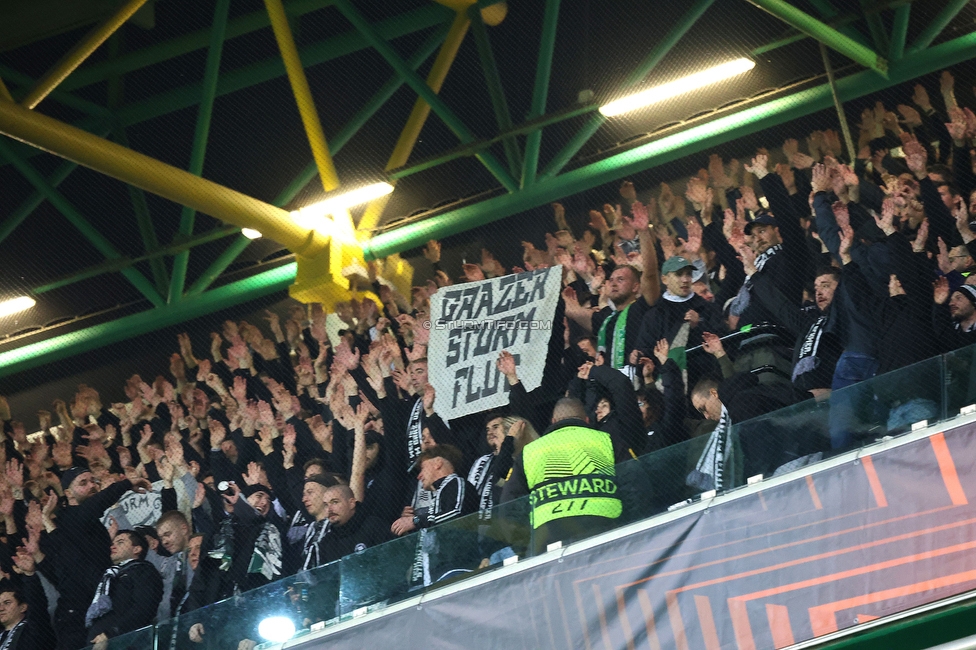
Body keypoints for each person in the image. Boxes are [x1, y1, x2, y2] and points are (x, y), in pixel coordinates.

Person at [40, 468, 153, 650]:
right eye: (83, 483)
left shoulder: (82, 523)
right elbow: (98, 503)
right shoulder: (72, 516)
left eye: (93, 481)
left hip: (86, 608)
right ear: (68, 494)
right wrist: (127, 483)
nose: (92, 485)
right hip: (77, 613)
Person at [503, 398, 621, 555]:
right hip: (607, 536)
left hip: (550, 548)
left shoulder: (529, 452)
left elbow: (509, 506)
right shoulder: (606, 440)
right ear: (586, 419)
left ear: (553, 421)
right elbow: (634, 486)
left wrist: (525, 549)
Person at [391, 445, 478, 586]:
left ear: (438, 463)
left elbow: (456, 514)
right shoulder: (441, 493)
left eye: (423, 468)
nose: (419, 476)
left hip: (458, 567)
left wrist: (416, 520)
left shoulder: (456, 482)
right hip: (440, 571)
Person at [85, 530, 164, 645]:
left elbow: (144, 609)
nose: (113, 546)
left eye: (120, 542)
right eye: (113, 543)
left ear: (136, 549)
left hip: (126, 642)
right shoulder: (109, 576)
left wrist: (111, 633)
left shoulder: (143, 571)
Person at [154, 510, 195, 622]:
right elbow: (137, 546)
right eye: (161, 538)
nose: (164, 542)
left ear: (183, 529)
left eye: (167, 534)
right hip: (167, 629)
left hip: (198, 623)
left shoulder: (201, 554)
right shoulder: (166, 563)